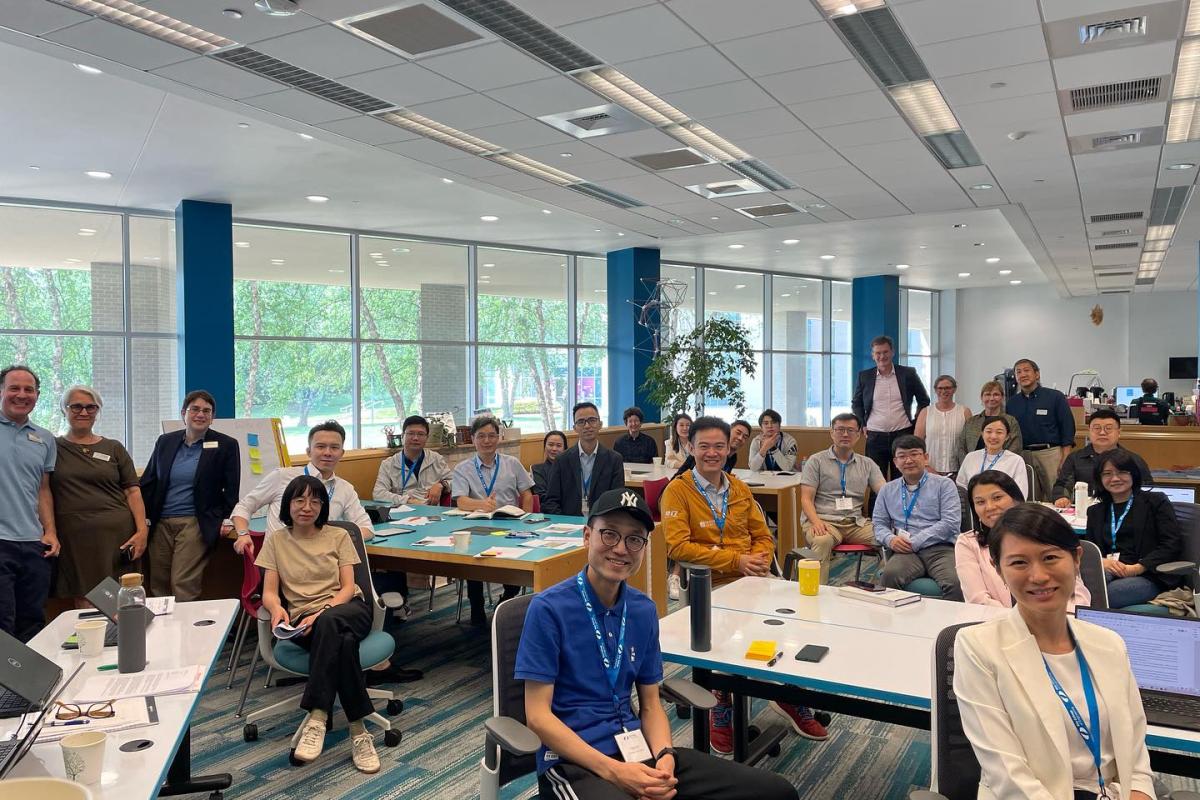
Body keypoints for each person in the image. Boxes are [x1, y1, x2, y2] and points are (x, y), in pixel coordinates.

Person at [516, 488, 798, 800]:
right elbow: (538, 717)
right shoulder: (549, 609)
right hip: (575, 763)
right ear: (587, 536)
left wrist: (665, 755)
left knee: (776, 792)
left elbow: (650, 703)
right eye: (609, 534)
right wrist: (614, 771)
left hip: (639, 750)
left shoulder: (642, 610)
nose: (621, 549)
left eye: (634, 539)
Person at [954, 504, 1155, 800]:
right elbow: (1007, 774)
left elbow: (1136, 755)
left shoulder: (1109, 644)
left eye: (1050, 557)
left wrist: (1140, 793)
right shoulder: (979, 648)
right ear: (999, 570)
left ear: (1076, 559)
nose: (1038, 576)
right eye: (1019, 563)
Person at [660, 416, 828, 751]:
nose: (712, 453)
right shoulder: (677, 491)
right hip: (707, 585)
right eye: (704, 446)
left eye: (719, 446)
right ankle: (721, 705)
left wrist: (762, 557)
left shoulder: (737, 487)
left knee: (795, 621)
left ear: (728, 449)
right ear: (691, 448)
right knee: (735, 634)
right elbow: (678, 547)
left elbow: (762, 535)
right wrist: (736, 561)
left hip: (752, 578)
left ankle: (786, 693)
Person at [256, 475, 380, 773]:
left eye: (315, 501)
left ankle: (317, 714)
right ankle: (359, 731)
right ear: (288, 504)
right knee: (344, 643)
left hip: (348, 609)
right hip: (303, 623)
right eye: (300, 500)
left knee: (330, 623)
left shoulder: (338, 536)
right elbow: (270, 593)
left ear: (323, 506)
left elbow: (348, 588)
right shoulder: (276, 540)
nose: (307, 507)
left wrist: (323, 610)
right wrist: (275, 610)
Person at [51, 386, 148, 606]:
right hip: (76, 538)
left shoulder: (114, 448)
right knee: (85, 596)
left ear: (97, 411)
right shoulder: (53, 447)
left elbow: (133, 491)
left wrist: (142, 530)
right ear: (63, 410)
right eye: (76, 406)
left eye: (90, 407)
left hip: (119, 537)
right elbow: (44, 490)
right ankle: (92, 641)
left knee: (123, 596)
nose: (83, 412)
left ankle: (125, 640)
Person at [141, 390, 240, 601]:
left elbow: (231, 490)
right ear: (184, 413)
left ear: (212, 417)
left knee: (182, 583)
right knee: (159, 584)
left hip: (195, 522)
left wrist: (225, 519)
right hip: (160, 523)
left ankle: (186, 633)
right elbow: (148, 482)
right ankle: (164, 633)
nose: (200, 414)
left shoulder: (226, 445)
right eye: (195, 409)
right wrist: (142, 518)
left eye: (207, 411)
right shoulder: (165, 442)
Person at [232, 420, 371, 557]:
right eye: (320, 446)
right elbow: (244, 506)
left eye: (334, 447)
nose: (327, 452)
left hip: (321, 563)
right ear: (309, 451)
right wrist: (243, 534)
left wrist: (334, 541)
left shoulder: (345, 488)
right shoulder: (282, 476)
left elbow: (367, 529)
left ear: (342, 453)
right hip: (278, 562)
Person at [956, 471, 1090, 609]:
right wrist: (1021, 623)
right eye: (980, 502)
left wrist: (1056, 621)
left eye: (997, 498)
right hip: (999, 623)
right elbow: (978, 599)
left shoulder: (1044, 530)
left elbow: (1076, 593)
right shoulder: (968, 543)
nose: (990, 507)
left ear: (1016, 499)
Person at [451, 415, 533, 625]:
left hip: (511, 523)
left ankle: (507, 598)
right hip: (477, 525)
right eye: (481, 436)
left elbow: (527, 494)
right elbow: (460, 501)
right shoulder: (463, 468)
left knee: (519, 560)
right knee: (473, 560)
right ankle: (476, 606)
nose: (487, 441)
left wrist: (526, 517)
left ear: (499, 438)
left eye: (491, 436)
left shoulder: (512, 464)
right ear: (473, 439)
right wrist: (481, 505)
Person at [0, 365, 58, 641]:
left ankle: (30, 684)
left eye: (29, 389)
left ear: (37, 395)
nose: (22, 395)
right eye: (14, 388)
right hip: (1, 541)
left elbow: (43, 489)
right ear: (1, 391)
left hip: (34, 545)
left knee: (33, 621)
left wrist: (50, 532)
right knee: (3, 622)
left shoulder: (44, 438)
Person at [1084, 449, 1182, 609]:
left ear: (1133, 474)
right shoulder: (1096, 511)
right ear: (1100, 479)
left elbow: (1171, 545)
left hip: (1148, 574)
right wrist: (1102, 562)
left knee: (1102, 596)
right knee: (1079, 587)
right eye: (1107, 473)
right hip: (1108, 570)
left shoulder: (1155, 502)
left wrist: (1137, 568)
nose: (1114, 478)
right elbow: (1090, 549)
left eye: (1121, 472)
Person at [871, 435, 962, 599]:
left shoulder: (944, 485)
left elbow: (951, 523)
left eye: (914, 454)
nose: (908, 460)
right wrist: (890, 539)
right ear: (895, 461)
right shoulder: (887, 490)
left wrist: (915, 542)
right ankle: (893, 624)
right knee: (889, 576)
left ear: (926, 457)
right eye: (902, 456)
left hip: (940, 548)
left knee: (956, 583)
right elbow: (878, 524)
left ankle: (951, 624)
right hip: (904, 551)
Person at [799, 413, 885, 583]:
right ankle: (817, 592)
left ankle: (878, 588)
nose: (845, 434)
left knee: (889, 538)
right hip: (824, 521)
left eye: (851, 430)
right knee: (822, 542)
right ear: (831, 432)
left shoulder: (867, 464)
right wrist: (816, 522)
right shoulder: (816, 461)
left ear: (859, 434)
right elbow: (806, 499)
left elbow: (886, 492)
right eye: (840, 430)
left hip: (855, 523)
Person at [852, 335, 930, 479]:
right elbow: (856, 403)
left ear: (892, 352)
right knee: (875, 480)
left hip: (903, 434)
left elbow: (924, 400)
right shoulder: (864, 376)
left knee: (903, 478)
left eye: (885, 352)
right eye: (878, 353)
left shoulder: (908, 374)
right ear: (873, 355)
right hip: (875, 436)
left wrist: (916, 422)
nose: (882, 356)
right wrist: (862, 423)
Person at [1006, 358, 1075, 501]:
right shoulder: (1012, 403)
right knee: (1029, 497)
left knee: (1057, 495)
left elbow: (1067, 427)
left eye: (1026, 370)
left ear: (1037, 374)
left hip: (1050, 454)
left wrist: (1065, 457)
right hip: (1023, 455)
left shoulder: (1055, 397)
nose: (1022, 374)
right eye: (1018, 372)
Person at [1052, 409, 1151, 506]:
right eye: (1097, 428)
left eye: (1108, 428)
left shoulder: (1133, 459)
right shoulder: (1075, 458)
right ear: (1089, 431)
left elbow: (1146, 488)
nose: (1102, 433)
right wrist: (1062, 497)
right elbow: (1062, 484)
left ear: (1119, 432)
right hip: (1084, 511)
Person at [544, 402, 625, 517]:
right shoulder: (562, 460)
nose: (587, 426)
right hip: (568, 524)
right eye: (581, 422)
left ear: (600, 424)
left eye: (592, 420)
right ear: (575, 428)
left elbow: (618, 499)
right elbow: (551, 501)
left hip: (601, 523)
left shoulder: (614, 459)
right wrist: (564, 524)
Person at [372, 415, 449, 507]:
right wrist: (408, 500)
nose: (415, 438)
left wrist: (441, 485)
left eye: (420, 434)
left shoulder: (436, 459)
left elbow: (454, 482)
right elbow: (378, 494)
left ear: (427, 437)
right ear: (402, 436)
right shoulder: (388, 464)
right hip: (402, 511)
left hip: (431, 511)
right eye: (411, 433)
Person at [954, 380, 1023, 467]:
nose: (991, 398)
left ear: (1002, 398)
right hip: (972, 469)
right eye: (987, 394)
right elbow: (962, 448)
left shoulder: (1011, 421)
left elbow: (1015, 448)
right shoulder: (971, 422)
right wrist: (968, 466)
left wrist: (997, 467)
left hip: (1001, 470)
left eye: (996, 395)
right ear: (982, 397)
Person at [956, 416, 1028, 498]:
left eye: (999, 432)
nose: (993, 436)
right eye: (989, 431)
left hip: (1003, 508)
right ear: (982, 434)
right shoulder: (971, 457)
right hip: (974, 506)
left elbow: (1021, 494)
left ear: (1007, 437)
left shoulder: (1016, 460)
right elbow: (961, 487)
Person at [914, 375, 971, 474]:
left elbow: (970, 442)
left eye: (948, 388)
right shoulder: (926, 412)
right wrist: (925, 466)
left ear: (954, 389)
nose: (944, 391)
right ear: (935, 390)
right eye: (940, 388)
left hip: (958, 470)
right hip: (930, 469)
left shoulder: (964, 412)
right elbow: (917, 443)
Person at [671, 419, 751, 477]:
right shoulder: (702, 455)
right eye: (738, 433)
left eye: (745, 437)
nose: (740, 438)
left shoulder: (733, 457)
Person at [531, 430, 567, 500]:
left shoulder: (571, 468)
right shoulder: (536, 469)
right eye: (550, 445)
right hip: (547, 508)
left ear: (565, 449)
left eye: (558, 445)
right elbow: (541, 496)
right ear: (545, 447)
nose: (554, 449)